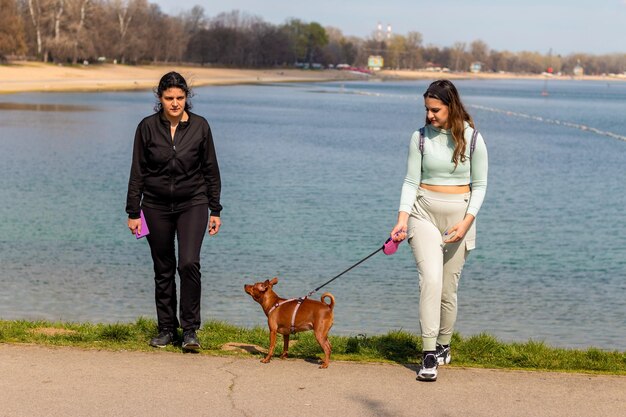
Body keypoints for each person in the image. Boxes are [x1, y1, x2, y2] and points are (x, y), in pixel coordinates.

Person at [390, 79, 488, 381]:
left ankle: (445, 344)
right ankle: (429, 354)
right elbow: (410, 181)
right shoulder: (419, 138)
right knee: (430, 280)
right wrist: (402, 219)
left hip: (460, 218)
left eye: (435, 110)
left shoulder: (473, 139)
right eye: (427, 109)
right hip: (423, 215)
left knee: (447, 289)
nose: (429, 115)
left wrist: (466, 222)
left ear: (451, 107)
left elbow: (480, 186)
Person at [126, 71, 222, 351]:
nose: (175, 103)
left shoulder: (200, 127)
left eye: (180, 97)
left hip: (193, 202)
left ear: (186, 98)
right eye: (169, 98)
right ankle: (166, 328)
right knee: (164, 268)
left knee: (188, 263)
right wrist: (133, 211)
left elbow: (211, 170)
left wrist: (215, 209)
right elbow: (137, 172)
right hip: (154, 205)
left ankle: (190, 330)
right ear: (160, 98)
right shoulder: (146, 127)